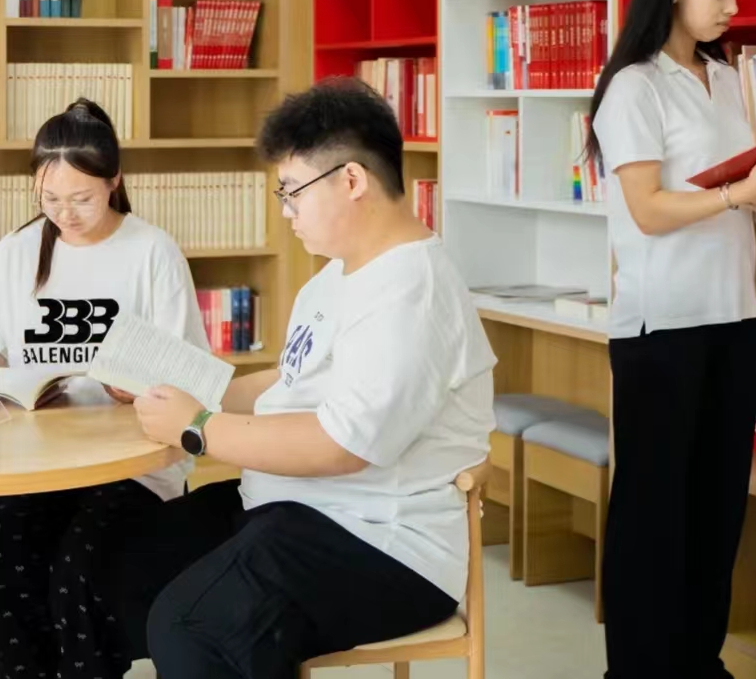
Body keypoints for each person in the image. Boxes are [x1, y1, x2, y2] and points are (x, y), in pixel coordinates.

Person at [60, 77, 496, 679]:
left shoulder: (411, 292)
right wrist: (178, 388)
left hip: (382, 544)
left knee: (193, 624)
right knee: (102, 570)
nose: (286, 210)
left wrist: (198, 427)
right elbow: (290, 382)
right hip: (294, 507)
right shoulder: (337, 275)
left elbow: (341, 444)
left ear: (351, 180)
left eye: (292, 191)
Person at [587, 0, 756, 676]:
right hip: (660, 329)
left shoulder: (729, 79)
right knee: (652, 516)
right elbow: (646, 209)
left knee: (716, 513)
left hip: (734, 322)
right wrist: (734, 194)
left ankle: (698, 663)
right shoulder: (633, 87)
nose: (733, 6)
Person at [0, 97, 209, 679]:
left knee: (79, 569)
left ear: (114, 181)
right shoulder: (14, 252)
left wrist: (141, 390)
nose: (65, 214)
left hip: (134, 463)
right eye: (50, 199)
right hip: (39, 456)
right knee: (5, 553)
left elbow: (192, 375)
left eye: (82, 199)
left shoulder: (152, 251)